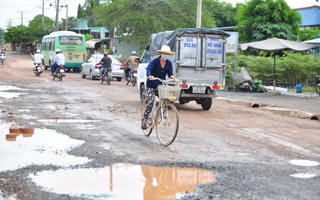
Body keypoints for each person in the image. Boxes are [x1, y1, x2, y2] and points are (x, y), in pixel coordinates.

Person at [141, 45, 178, 130]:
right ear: (161, 54)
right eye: (164, 53)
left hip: (161, 85)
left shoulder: (168, 63)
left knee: (166, 98)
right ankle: (145, 118)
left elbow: (170, 74)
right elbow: (149, 69)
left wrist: (173, 78)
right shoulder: (155, 62)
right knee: (151, 100)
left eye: (167, 54)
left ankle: (164, 112)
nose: (166, 55)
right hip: (151, 85)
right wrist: (150, 76)